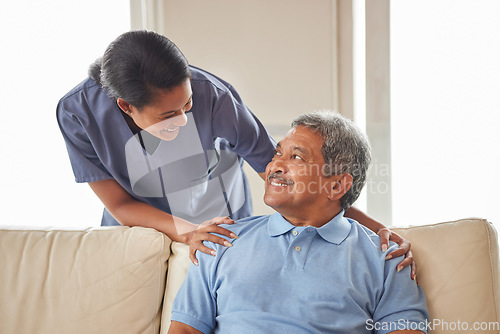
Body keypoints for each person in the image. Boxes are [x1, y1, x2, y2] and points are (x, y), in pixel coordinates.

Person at [56, 30, 415, 277]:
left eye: (188, 104)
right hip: (137, 230)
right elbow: (119, 206)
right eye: (168, 115)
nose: (183, 120)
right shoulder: (77, 113)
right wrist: (186, 232)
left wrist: (379, 230)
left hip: (217, 227)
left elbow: (298, 185)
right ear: (126, 106)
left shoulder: (214, 96)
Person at [169, 111, 429, 334]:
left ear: (337, 185)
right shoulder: (219, 240)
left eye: (296, 157)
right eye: (278, 153)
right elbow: (184, 329)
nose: (274, 166)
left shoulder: (388, 259)